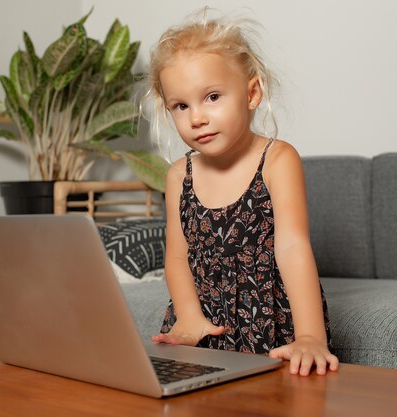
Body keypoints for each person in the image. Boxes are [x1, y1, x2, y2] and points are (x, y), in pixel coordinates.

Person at [144, 9, 339, 376]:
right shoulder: (178, 176)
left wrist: (311, 336)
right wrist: (188, 317)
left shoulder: (277, 159)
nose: (196, 118)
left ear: (251, 93)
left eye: (212, 97)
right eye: (181, 106)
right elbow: (176, 256)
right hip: (204, 326)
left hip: (271, 328)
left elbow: (293, 247)